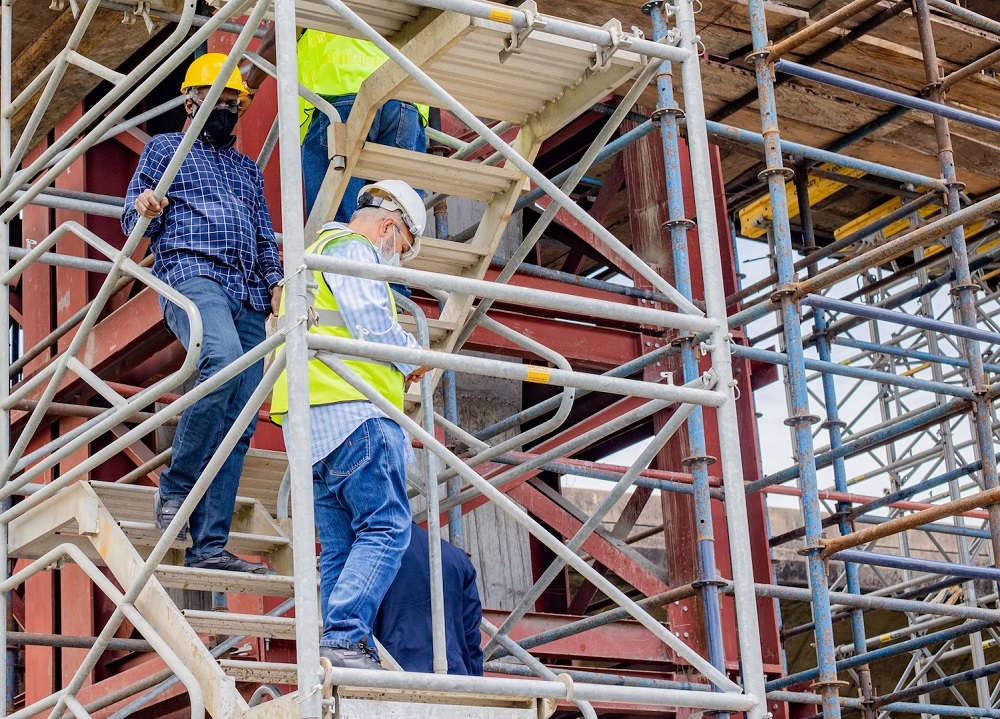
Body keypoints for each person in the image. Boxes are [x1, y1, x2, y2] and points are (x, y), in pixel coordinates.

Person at [122, 53, 282, 575]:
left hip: (249, 292)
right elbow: (133, 214)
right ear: (192, 102)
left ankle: (208, 544)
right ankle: (176, 486)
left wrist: (277, 282)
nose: (230, 110)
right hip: (193, 276)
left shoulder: (246, 171)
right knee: (220, 362)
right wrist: (145, 205)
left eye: (236, 102)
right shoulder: (166, 149)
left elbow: (263, 236)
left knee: (240, 417)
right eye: (222, 100)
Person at [270, 179, 432, 669]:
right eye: (403, 246)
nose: (398, 259)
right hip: (355, 415)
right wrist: (413, 357)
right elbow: (372, 329)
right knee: (387, 528)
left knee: (340, 548)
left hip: (309, 431)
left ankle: (333, 649)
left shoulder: (308, 259)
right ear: (389, 226)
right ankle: (343, 639)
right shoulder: (354, 251)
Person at [247, 29, 427, 220]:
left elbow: (277, 37)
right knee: (396, 222)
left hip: (342, 97)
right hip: (405, 101)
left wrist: (250, 86)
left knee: (336, 225)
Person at [374, 523, 484, 675]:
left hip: (390, 677)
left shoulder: (369, 552)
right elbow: (471, 635)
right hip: (453, 680)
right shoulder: (456, 556)